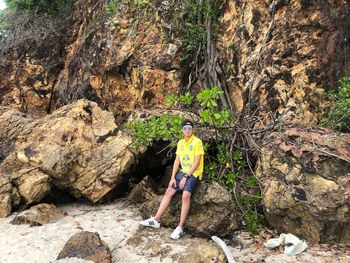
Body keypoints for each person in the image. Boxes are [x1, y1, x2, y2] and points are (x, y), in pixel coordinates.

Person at [140, 120, 204, 239]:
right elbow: (177, 161)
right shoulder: (180, 142)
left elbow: (196, 163)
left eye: (189, 128)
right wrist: (172, 177)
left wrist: (185, 177)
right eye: (185, 128)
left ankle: (180, 227)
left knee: (185, 195)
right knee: (169, 191)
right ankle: (156, 219)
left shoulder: (197, 142)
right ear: (182, 130)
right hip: (182, 171)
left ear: (193, 130)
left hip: (194, 173)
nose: (187, 130)